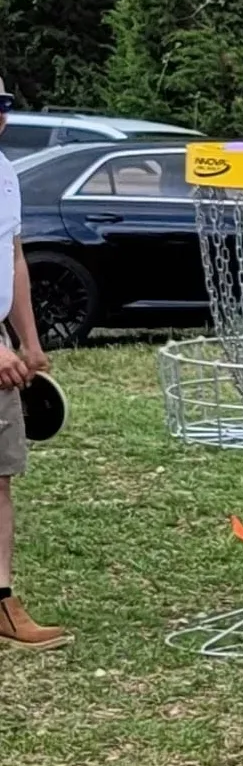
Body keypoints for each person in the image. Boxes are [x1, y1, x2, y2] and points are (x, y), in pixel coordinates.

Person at [0, 78, 68, 650]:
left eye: (0, 106)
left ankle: (1, 603)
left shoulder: (5, 173)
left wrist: (28, 339)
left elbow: (14, 257)